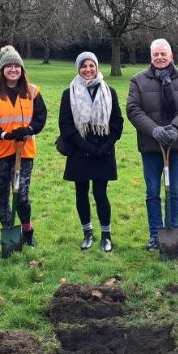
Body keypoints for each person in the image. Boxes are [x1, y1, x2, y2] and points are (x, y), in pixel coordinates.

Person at [126, 38, 178, 251]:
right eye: (155, 54)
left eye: (163, 54)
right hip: (150, 144)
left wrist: (175, 128)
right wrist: (154, 130)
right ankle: (155, 234)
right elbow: (133, 109)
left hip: (175, 144)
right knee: (153, 191)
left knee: (173, 190)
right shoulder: (138, 80)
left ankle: (173, 233)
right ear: (151, 56)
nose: (159, 57)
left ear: (171, 56)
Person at [0, 45, 46, 247]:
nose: (13, 70)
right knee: (2, 196)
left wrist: (29, 130)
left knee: (22, 194)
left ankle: (27, 231)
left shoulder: (32, 92)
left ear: (22, 69)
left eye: (17, 66)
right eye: (9, 66)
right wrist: (5, 135)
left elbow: (41, 117)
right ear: (2, 70)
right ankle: (10, 235)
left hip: (23, 152)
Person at [59, 52, 123, 252]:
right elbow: (66, 126)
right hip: (79, 151)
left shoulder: (109, 92)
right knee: (81, 192)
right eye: (83, 66)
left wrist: (106, 146)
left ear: (96, 67)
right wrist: (86, 147)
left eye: (91, 66)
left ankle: (106, 235)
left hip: (103, 152)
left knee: (100, 193)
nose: (88, 70)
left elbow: (117, 123)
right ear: (78, 69)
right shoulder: (68, 93)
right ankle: (87, 233)